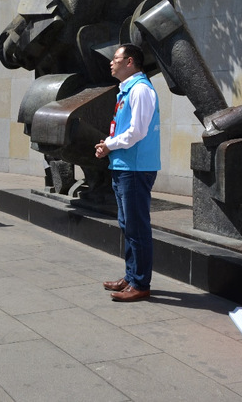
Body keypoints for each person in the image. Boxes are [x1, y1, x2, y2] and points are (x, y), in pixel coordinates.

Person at [95, 44, 161, 302]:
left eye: (116, 58)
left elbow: (137, 131)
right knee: (128, 225)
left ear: (130, 62)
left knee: (137, 227)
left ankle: (140, 284)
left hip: (135, 168)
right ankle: (132, 276)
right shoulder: (127, 90)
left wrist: (109, 145)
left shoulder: (141, 90)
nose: (111, 63)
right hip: (124, 166)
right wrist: (108, 145)